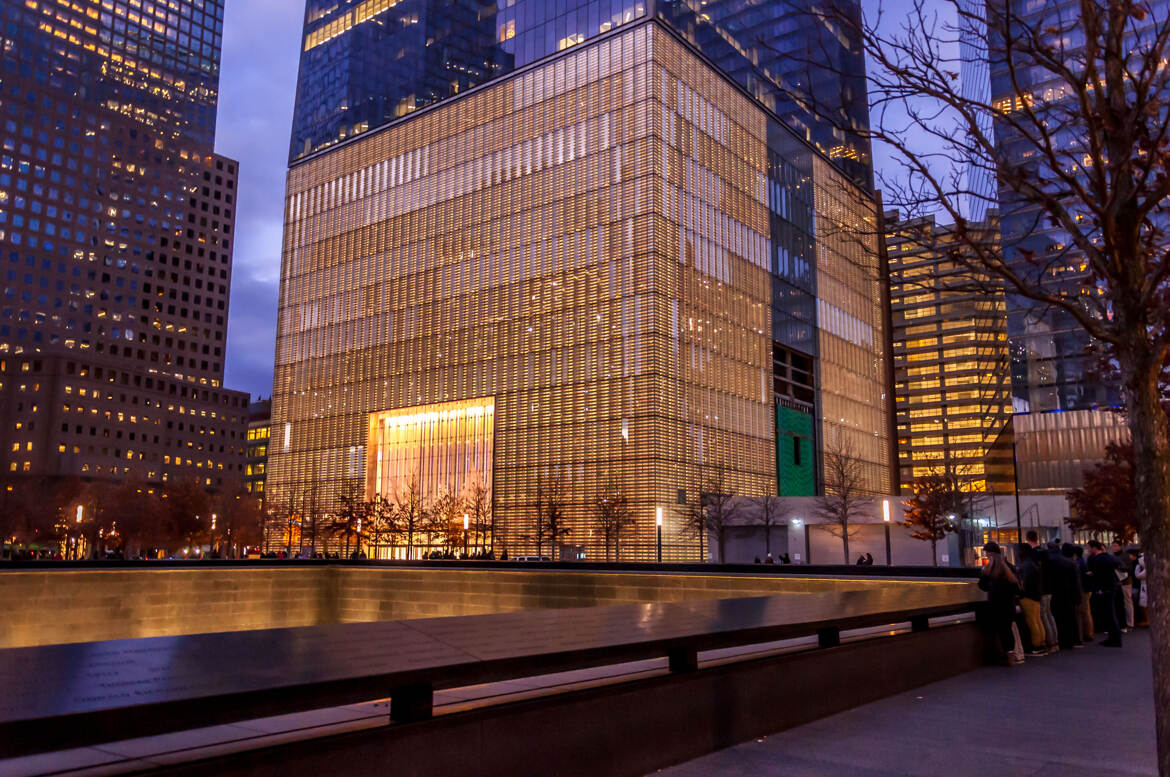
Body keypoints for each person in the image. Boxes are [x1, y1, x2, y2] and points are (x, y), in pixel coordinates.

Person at [978, 541, 1021, 665]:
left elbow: (982, 586)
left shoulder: (988, 570)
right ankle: (1010, 657)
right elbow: (1017, 588)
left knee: (997, 631)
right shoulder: (1009, 568)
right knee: (1007, 630)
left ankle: (998, 655)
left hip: (994, 605)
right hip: (1008, 605)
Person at [1086, 540, 1123, 647]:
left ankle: (1114, 638)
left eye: (1089, 548)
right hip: (1111, 587)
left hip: (1105, 589)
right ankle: (1114, 637)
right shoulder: (1108, 557)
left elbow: (1099, 576)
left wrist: (1099, 588)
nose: (1088, 550)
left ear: (1094, 548)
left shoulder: (1098, 560)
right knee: (1111, 613)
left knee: (1109, 614)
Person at [1016, 545, 1049, 655]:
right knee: (1037, 620)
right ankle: (1042, 642)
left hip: (1028, 596)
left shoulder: (1025, 565)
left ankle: (1036, 645)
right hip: (1036, 596)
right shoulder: (1034, 563)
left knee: (1032, 621)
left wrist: (1021, 592)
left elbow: (1025, 582)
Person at [1049, 543, 1082, 648]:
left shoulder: (1050, 561)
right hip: (1070, 593)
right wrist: (1077, 596)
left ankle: (1062, 640)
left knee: (1059, 618)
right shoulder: (1071, 563)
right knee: (1070, 617)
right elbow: (1076, 581)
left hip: (1056, 593)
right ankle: (1073, 640)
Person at [1111, 540, 1134, 630]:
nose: (1114, 547)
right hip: (1117, 581)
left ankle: (1130, 623)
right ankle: (1123, 622)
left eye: (1116, 546)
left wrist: (1119, 567)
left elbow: (1128, 569)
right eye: (1113, 546)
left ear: (1120, 546)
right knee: (1121, 603)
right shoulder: (1113, 556)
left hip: (1125, 581)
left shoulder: (1125, 556)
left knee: (1127, 601)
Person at [1073, 545, 1094, 642]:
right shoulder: (1083, 562)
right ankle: (1088, 632)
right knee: (1086, 611)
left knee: (1084, 611)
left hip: (1083, 589)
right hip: (1087, 588)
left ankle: (1087, 633)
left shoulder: (1078, 563)